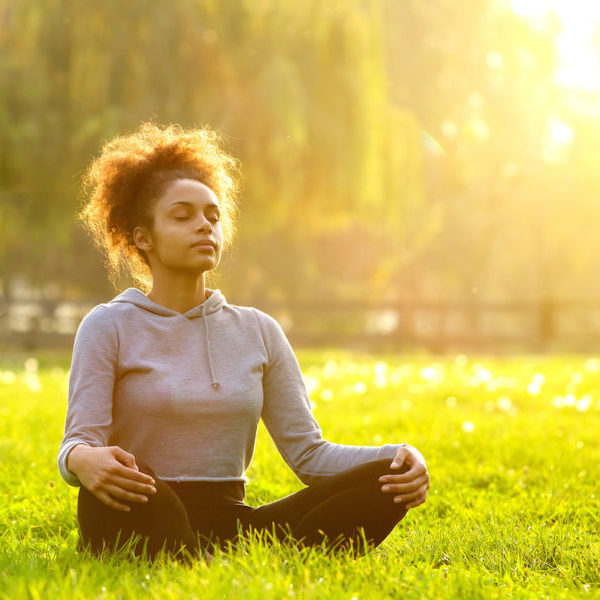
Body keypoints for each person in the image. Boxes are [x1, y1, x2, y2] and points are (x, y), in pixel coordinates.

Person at [57, 121, 430, 564]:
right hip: (140, 504)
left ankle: (200, 556)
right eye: (183, 216)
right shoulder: (108, 325)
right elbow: (78, 442)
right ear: (143, 237)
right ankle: (197, 554)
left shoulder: (258, 330)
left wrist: (401, 457)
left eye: (212, 216)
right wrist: (82, 461)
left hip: (233, 522)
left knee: (386, 481)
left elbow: (309, 454)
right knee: (124, 495)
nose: (204, 226)